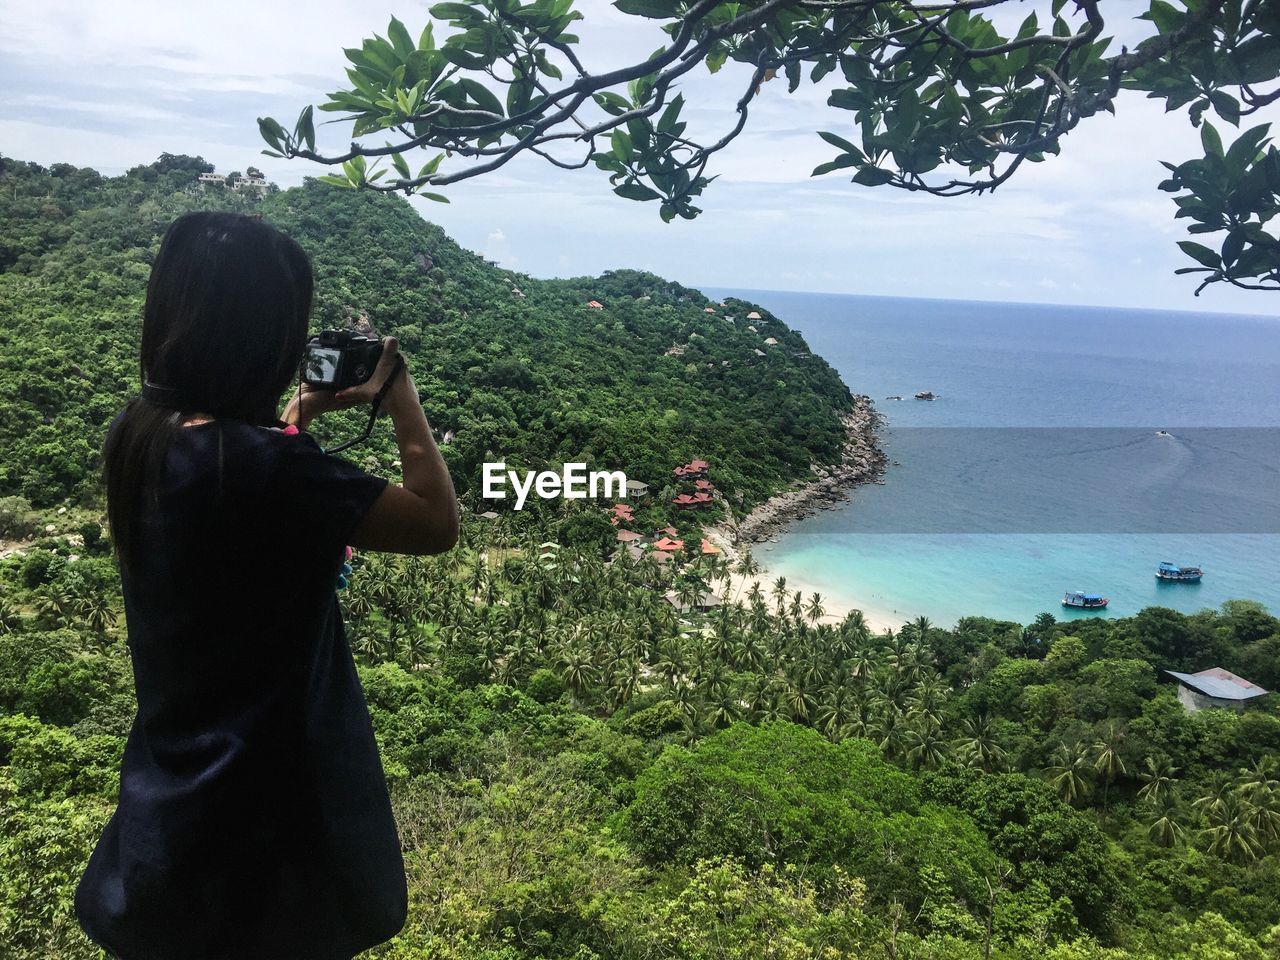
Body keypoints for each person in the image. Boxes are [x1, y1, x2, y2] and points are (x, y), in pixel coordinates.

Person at [75, 211, 458, 960]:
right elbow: (435, 523)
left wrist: (292, 422)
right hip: (272, 842)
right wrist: (400, 396)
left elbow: (236, 510)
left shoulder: (141, 433)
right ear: (264, 336)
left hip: (172, 815)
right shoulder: (269, 469)